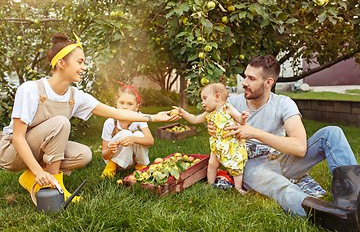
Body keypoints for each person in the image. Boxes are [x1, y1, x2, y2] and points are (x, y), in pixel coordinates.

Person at [0, 32, 177, 203]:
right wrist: (40, 171)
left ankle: (30, 178)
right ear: (62, 63)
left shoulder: (75, 96)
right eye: (80, 62)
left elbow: (116, 112)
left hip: (38, 149)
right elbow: (17, 137)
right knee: (61, 123)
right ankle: (53, 190)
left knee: (83, 155)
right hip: (12, 152)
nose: (84, 67)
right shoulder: (30, 89)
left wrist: (154, 117)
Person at [208, 54, 360, 231]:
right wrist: (212, 128)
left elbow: (300, 147)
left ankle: (353, 200)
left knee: (332, 133)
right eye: (245, 76)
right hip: (251, 165)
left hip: (283, 159)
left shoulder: (283, 103)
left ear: (268, 82)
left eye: (251, 78)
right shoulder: (231, 103)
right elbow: (214, 127)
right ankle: (330, 217)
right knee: (279, 186)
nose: (244, 83)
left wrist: (255, 133)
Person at [174, 82, 249, 194]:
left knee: (235, 167)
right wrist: (183, 113)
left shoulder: (228, 108)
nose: (203, 103)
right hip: (217, 144)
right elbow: (195, 119)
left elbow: (239, 119)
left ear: (217, 97)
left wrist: (243, 117)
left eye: (205, 98)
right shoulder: (209, 113)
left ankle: (238, 188)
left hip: (231, 145)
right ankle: (210, 184)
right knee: (212, 164)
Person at [101, 81, 154, 178]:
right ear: (116, 104)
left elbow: (150, 140)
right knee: (125, 133)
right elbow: (104, 155)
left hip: (131, 161)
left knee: (138, 134)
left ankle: (141, 167)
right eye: (121, 103)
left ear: (137, 108)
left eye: (130, 104)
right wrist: (110, 150)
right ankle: (111, 168)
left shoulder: (139, 118)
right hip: (114, 160)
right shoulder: (110, 122)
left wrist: (133, 139)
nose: (125, 107)